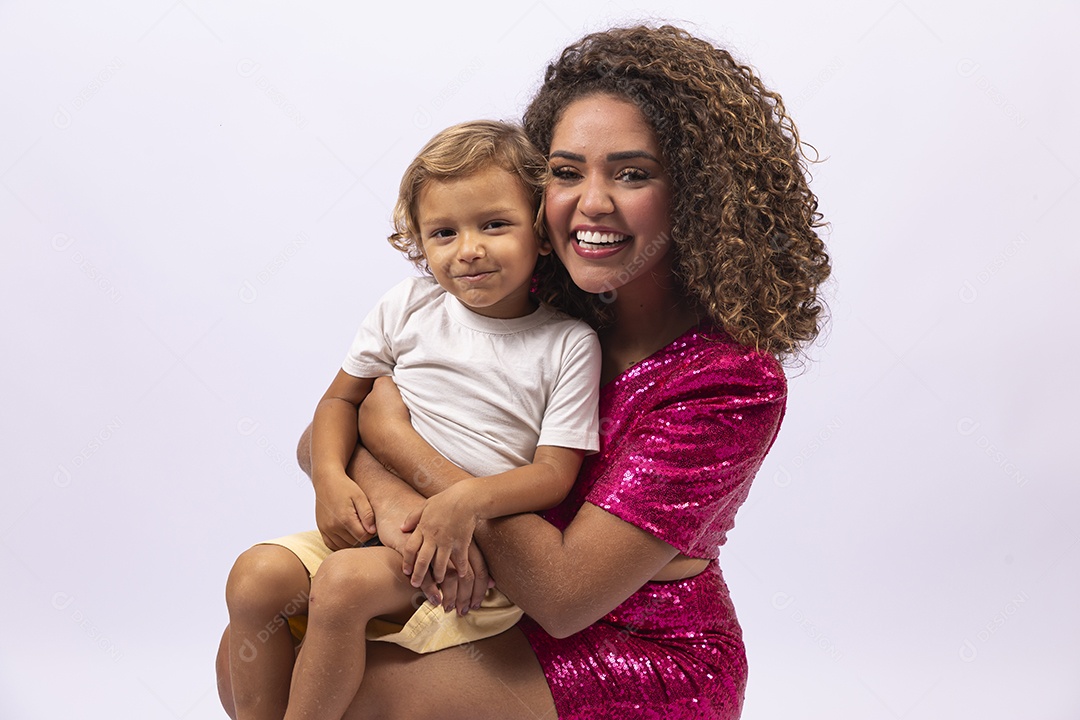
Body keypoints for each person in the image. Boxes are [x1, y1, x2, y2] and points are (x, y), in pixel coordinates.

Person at [216, 23, 830, 720]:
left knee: (356, 693)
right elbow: (325, 430)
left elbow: (565, 593)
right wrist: (399, 505)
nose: (590, 202)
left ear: (696, 192)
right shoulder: (530, 302)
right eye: (567, 172)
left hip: (638, 649)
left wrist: (397, 442)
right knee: (268, 636)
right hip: (488, 599)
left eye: (631, 173)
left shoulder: (727, 381)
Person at [222, 120, 601, 720]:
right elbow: (339, 403)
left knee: (343, 586)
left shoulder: (567, 343)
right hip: (374, 528)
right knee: (254, 577)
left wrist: (467, 503)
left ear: (542, 233)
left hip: (469, 558)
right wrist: (329, 479)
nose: (468, 248)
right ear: (419, 243)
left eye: (494, 224)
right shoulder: (407, 307)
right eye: (443, 232)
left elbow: (555, 474)